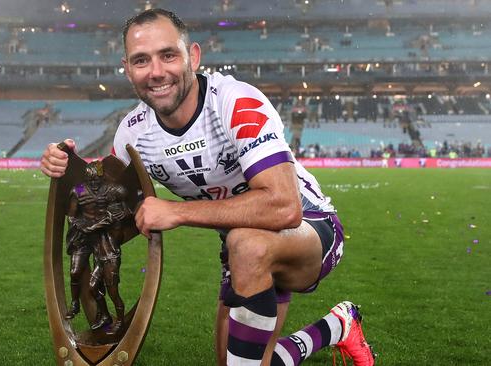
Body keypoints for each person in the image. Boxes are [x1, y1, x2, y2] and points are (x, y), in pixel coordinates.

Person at [41, 8, 374, 366]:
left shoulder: (235, 101)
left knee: (244, 244)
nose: (156, 72)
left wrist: (178, 211)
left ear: (193, 56)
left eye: (168, 55)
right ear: (127, 69)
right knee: (238, 359)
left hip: (308, 228)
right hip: (241, 250)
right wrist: (67, 171)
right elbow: (110, 216)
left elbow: (284, 207)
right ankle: (337, 326)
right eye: (141, 60)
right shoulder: (133, 133)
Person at [65, 160, 132, 332]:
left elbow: (125, 212)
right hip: (86, 237)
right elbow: (71, 216)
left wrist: (96, 225)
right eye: (90, 180)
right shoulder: (79, 189)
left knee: (109, 289)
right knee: (79, 275)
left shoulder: (112, 193)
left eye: (97, 180)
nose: (94, 183)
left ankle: (114, 318)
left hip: (107, 248)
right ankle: (81, 305)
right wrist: (82, 226)